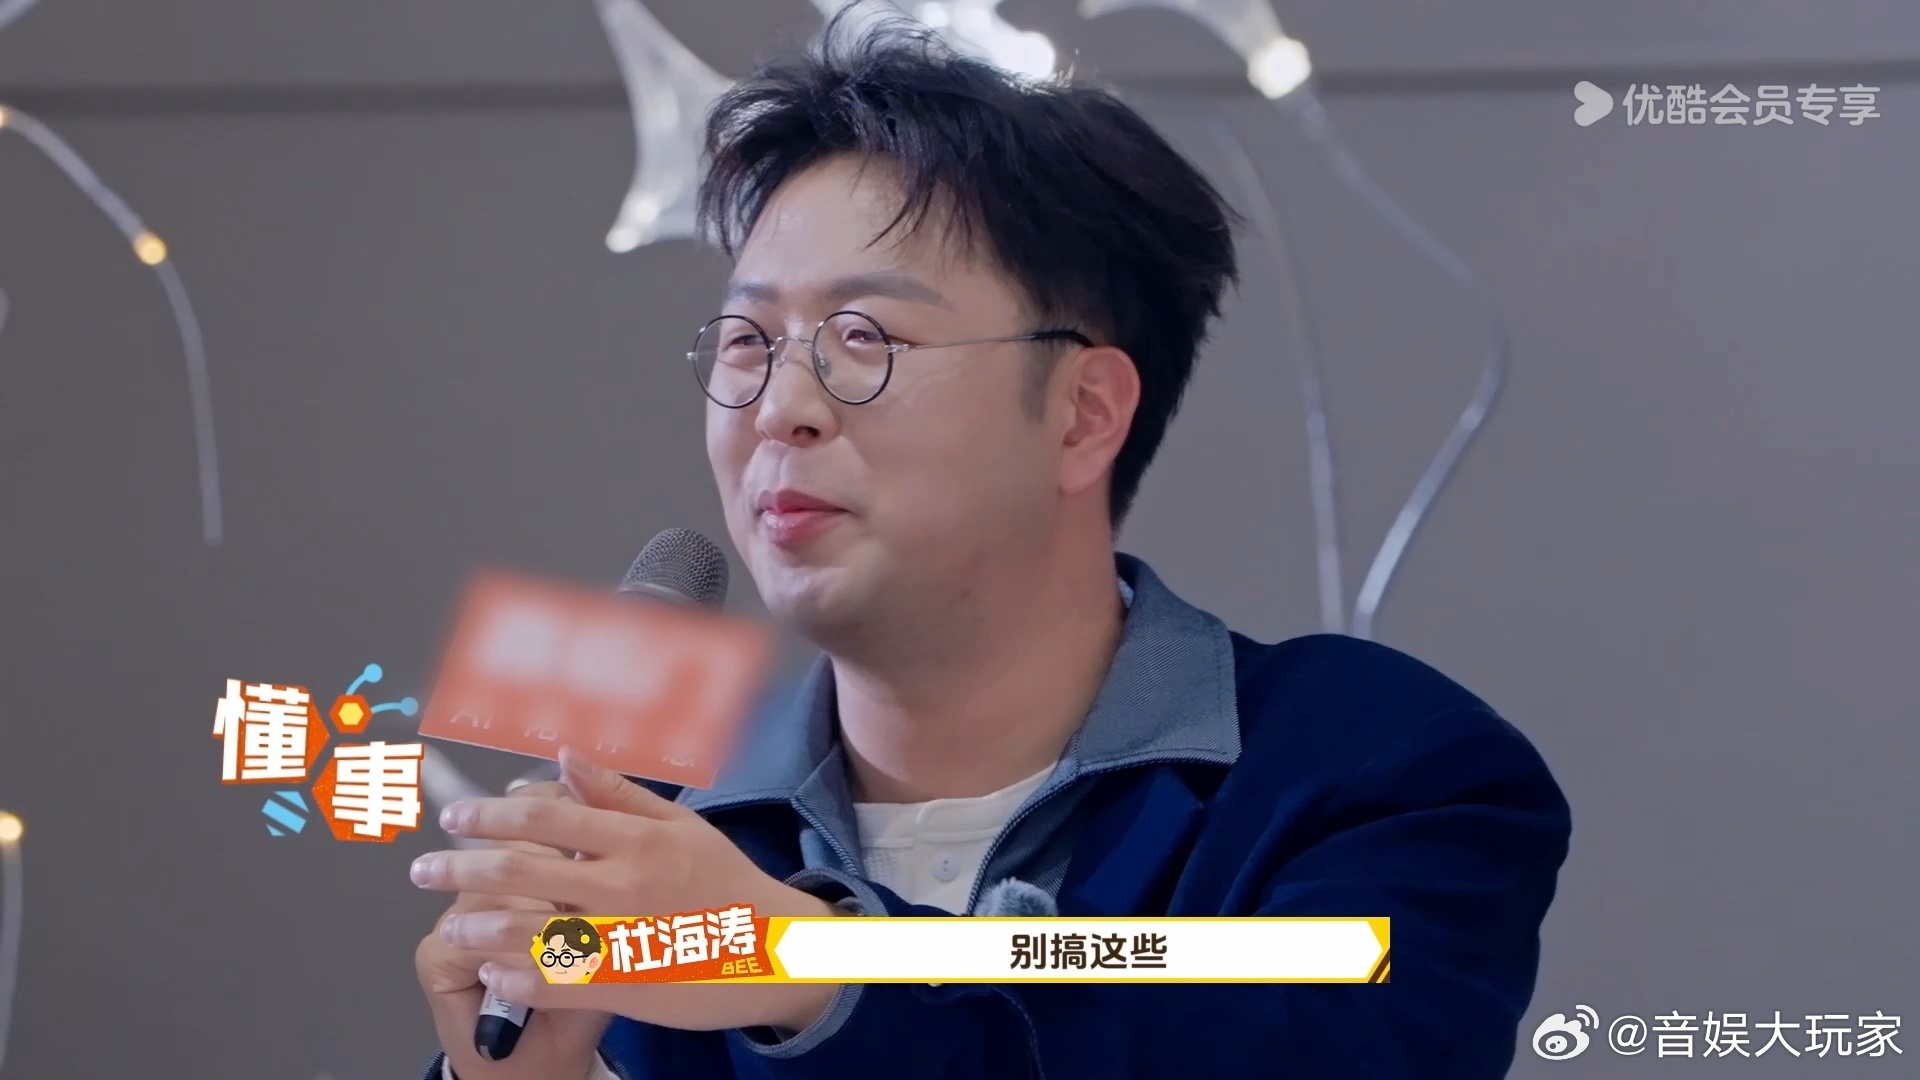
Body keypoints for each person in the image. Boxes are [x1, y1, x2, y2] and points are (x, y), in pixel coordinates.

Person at [410, 12, 1571, 1080]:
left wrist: (809, 969)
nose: (781, 409)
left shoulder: (1374, 775)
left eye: (864, 337)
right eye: (748, 342)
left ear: (1083, 414)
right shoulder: (668, 838)